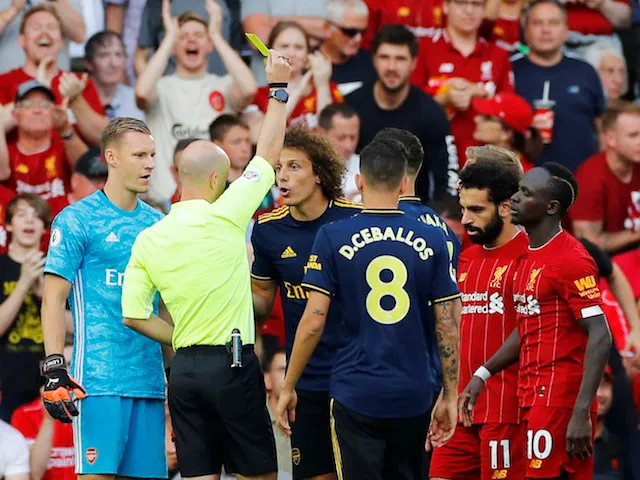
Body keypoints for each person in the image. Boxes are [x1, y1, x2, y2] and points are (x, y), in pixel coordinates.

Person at [119, 49, 292, 480]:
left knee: (198, 475)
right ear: (217, 180)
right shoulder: (227, 212)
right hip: (231, 364)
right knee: (259, 475)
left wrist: (179, 338)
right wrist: (278, 88)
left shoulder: (150, 236)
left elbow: (133, 314)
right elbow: (268, 155)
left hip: (183, 373)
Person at [275, 135, 462, 480]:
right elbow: (447, 321)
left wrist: (288, 387)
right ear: (404, 183)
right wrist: (450, 394)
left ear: (359, 182)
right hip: (414, 391)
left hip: (356, 391)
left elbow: (314, 321)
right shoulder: (434, 237)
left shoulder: (332, 236)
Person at [460, 163, 612, 479]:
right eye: (518, 190)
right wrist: (483, 373)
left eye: (526, 193)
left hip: (560, 399)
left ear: (551, 207)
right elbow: (529, 323)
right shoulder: (528, 257)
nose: (514, 198)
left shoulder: (571, 258)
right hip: (532, 394)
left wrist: (581, 411)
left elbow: (600, 333)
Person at [40, 117, 166, 479]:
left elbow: (164, 304)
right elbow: (52, 299)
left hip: (150, 382)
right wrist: (54, 368)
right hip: (97, 381)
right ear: (111, 157)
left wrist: (176, 371)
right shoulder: (77, 219)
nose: (149, 164)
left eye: (152, 155)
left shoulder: (158, 224)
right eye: (139, 155)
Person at [251, 126, 360, 480]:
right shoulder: (268, 229)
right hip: (305, 379)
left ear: (319, 174)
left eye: (294, 167)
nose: (281, 176)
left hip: (355, 374)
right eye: (278, 168)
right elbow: (261, 301)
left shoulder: (355, 221)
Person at [429, 149, 528, 480]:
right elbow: (457, 334)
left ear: (505, 207)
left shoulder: (530, 258)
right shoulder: (465, 260)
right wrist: (446, 396)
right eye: (463, 210)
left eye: (476, 210)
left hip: (506, 413)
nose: (466, 219)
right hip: (460, 413)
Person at [135, 1, 257, 204]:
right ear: (173, 47)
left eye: (199, 35)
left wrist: (216, 35)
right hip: (165, 205)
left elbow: (249, 89)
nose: (191, 40)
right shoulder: (160, 87)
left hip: (215, 203)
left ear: (209, 46)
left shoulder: (224, 85)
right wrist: (170, 37)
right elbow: (141, 93)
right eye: (183, 36)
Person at [345, 24, 458, 204]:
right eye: (384, 57)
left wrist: (437, 215)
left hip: (413, 213)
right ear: (373, 60)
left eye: (400, 59)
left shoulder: (431, 113)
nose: (391, 67)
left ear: (414, 63)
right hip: (357, 208)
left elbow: (447, 177)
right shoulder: (351, 105)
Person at [411, 0, 515, 164]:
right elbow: (408, 104)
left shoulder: (498, 54)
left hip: (483, 159)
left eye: (476, 4)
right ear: (445, 6)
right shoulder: (423, 48)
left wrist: (479, 91)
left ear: (484, 10)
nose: (469, 10)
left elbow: (510, 110)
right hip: (431, 153)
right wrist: (443, 98)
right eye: (461, 3)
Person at [511, 0, 605, 172]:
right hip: (524, 179)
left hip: (581, 179)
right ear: (526, 32)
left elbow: (602, 129)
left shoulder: (585, 71)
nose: (545, 30)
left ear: (566, 31)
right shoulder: (510, 71)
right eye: (537, 23)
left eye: (553, 23)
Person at [0, 5, 106, 148]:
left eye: (51, 27)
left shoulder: (79, 82)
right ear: (22, 41)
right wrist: (37, 88)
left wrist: (76, 100)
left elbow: (104, 139)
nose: (44, 33)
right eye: (36, 27)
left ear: (61, 41)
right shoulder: (4, 82)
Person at [0, 81, 88, 219]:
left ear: (54, 111)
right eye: (28, 104)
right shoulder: (6, 154)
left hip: (63, 225)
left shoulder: (66, 146)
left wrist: (65, 130)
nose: (37, 110)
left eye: (45, 104)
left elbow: (89, 172)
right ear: (15, 115)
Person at [0, 193, 51, 422]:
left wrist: (44, 296)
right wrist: (23, 284)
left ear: (44, 228)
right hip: (6, 386)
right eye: (21, 215)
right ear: (9, 225)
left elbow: (77, 326)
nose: (30, 220)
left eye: (36, 216)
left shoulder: (58, 269)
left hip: (48, 385)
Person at [245, 21, 342, 134]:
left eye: (298, 47)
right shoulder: (259, 95)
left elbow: (331, 134)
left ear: (308, 53)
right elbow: (259, 135)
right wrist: (298, 91)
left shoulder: (329, 89)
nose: (291, 53)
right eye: (284, 46)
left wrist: (322, 86)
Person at [572, 101, 640, 254]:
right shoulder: (590, 177)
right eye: (633, 135)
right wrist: (636, 234)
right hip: (600, 263)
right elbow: (588, 244)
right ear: (610, 139)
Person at [10, 343, 75, 480]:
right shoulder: (24, 414)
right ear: (45, 369)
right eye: (59, 367)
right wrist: (48, 419)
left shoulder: (96, 411)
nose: (67, 373)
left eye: (72, 364)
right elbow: (34, 474)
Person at [472, 92, 544, 171]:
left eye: (487, 117)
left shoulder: (521, 175)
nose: (476, 119)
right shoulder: (478, 160)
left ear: (506, 134)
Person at [84, 30, 145, 120]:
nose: (113, 63)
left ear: (125, 61)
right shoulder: (75, 100)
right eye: (104, 55)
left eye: (118, 55)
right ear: (88, 63)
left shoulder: (136, 100)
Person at [320, 0, 376, 96]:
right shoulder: (305, 62)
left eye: (363, 32)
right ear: (327, 27)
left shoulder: (373, 64)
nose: (358, 39)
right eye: (350, 32)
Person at [317, 103, 361, 201]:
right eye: (341, 138)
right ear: (321, 134)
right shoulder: (308, 170)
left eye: (353, 137)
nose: (348, 145)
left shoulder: (368, 168)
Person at [264, 347, 294, 480]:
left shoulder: (311, 419)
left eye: (292, 370)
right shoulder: (254, 420)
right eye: (282, 369)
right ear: (266, 379)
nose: (289, 376)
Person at [209, 114, 253, 184]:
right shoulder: (209, 187)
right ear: (217, 146)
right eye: (236, 142)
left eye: (248, 141)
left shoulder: (260, 182)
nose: (245, 148)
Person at [170, 138, 199, 204]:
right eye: (181, 170)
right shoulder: (161, 209)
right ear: (173, 172)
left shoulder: (221, 207)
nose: (186, 177)